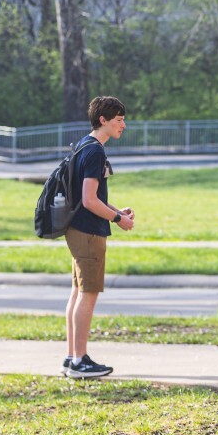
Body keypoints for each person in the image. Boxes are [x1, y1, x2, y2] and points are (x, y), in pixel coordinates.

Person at [63, 96, 135, 379]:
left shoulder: (84, 145)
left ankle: (72, 357)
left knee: (77, 292)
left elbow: (91, 198)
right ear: (103, 120)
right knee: (88, 293)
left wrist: (117, 211)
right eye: (118, 120)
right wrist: (118, 219)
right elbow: (89, 200)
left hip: (78, 228)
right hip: (89, 232)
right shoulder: (95, 152)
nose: (123, 125)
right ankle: (80, 361)